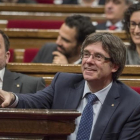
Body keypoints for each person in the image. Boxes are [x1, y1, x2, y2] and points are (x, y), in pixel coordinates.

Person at [0, 32, 140, 140]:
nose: (88, 61)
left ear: (114, 66)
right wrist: (12, 97)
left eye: (98, 57)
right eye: (86, 54)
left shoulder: (132, 104)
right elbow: (35, 101)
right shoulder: (63, 83)